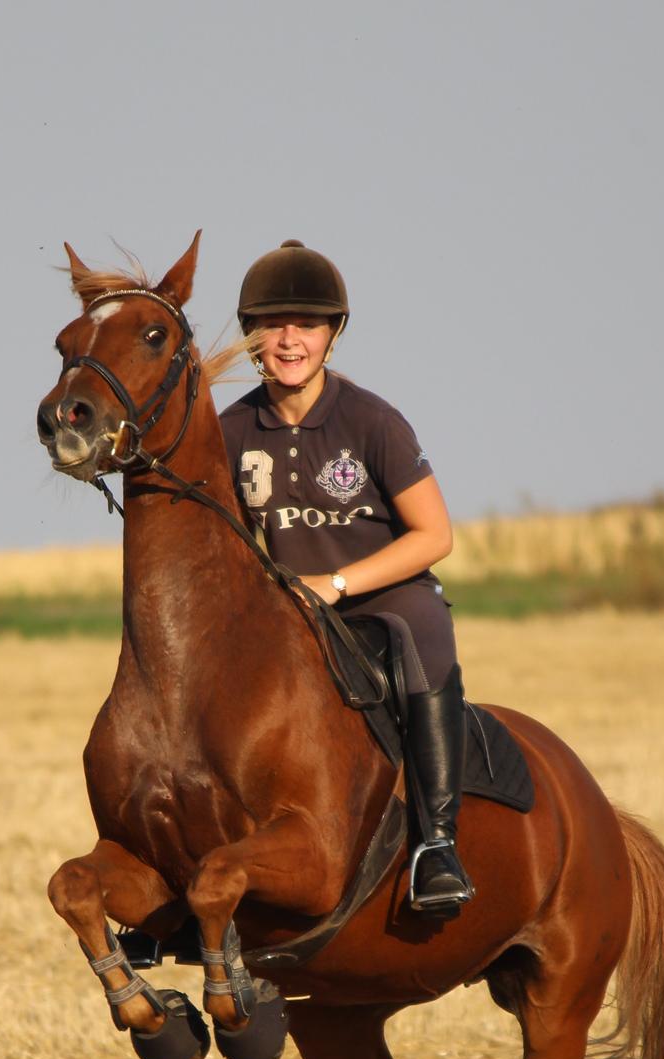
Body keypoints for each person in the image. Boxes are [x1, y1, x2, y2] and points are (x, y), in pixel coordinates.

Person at [219, 240, 474, 916]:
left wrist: (333, 583)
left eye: (307, 323)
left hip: (382, 601)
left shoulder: (373, 421)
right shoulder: (231, 430)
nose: (288, 339)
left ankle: (437, 844)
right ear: (250, 335)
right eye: (272, 324)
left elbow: (435, 535)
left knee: (424, 629)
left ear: (334, 335)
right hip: (284, 617)